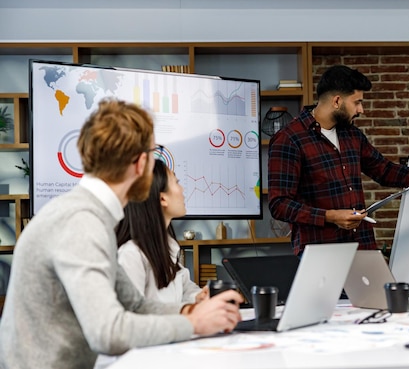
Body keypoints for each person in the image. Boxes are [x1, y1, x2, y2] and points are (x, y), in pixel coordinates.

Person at [0, 98, 243, 369]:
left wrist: (190, 310)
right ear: (140, 164)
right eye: (154, 155)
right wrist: (192, 323)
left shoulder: (87, 215)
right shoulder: (81, 223)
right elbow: (109, 333)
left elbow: (135, 305)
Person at [268, 64, 409, 256]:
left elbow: (384, 171)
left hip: (363, 248)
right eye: (357, 102)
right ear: (337, 101)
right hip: (321, 254)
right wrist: (331, 216)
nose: (361, 110)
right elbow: (279, 204)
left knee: (377, 298)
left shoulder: (352, 135)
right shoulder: (289, 139)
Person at [115, 158, 207, 305]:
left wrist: (198, 296)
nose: (182, 189)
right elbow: (133, 319)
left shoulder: (165, 247)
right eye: (177, 182)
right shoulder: (131, 256)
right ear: (162, 198)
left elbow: (184, 287)